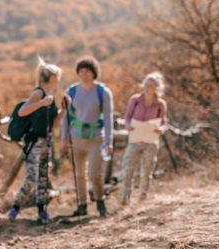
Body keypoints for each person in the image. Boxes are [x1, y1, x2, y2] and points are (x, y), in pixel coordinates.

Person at [8, 58, 66, 223]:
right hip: (34, 143)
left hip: (46, 142)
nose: (59, 79)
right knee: (32, 177)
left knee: (42, 177)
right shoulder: (39, 93)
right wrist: (41, 103)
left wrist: (63, 110)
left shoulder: (50, 96)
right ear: (51, 77)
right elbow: (22, 112)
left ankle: (41, 211)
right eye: (57, 75)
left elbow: (54, 124)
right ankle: (15, 208)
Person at [61, 56, 114, 217]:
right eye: (81, 71)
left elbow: (108, 117)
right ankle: (82, 205)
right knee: (79, 174)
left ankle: (100, 201)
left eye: (87, 71)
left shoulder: (102, 92)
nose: (84, 74)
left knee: (94, 173)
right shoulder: (71, 91)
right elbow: (66, 117)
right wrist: (64, 138)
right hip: (76, 137)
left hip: (96, 138)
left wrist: (109, 141)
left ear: (93, 72)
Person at [120, 72, 168, 204]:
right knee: (128, 167)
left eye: (151, 85)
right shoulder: (135, 100)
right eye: (146, 84)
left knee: (146, 171)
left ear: (157, 87)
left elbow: (164, 121)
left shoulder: (160, 104)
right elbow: (127, 116)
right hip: (135, 138)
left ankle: (142, 198)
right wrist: (128, 125)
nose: (147, 87)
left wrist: (161, 129)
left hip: (151, 141)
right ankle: (125, 197)